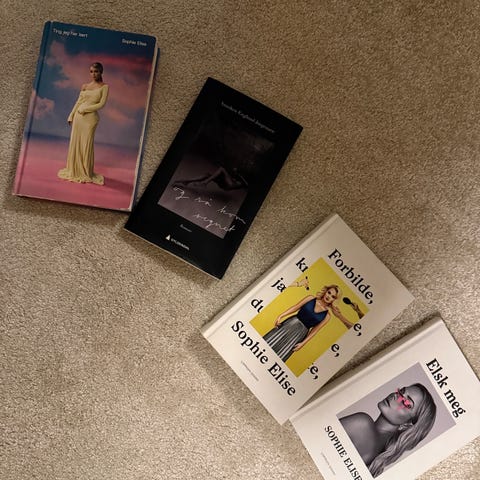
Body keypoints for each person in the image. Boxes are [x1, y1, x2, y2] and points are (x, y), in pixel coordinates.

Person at [339, 384, 437, 477]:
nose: (396, 397)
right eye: (401, 392)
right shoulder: (378, 456)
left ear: (407, 424)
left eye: (406, 403)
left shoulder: (362, 424)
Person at [263, 285, 354, 362]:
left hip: (300, 334)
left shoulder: (327, 316)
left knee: (282, 352)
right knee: (271, 341)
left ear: (334, 300)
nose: (329, 296)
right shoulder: (310, 298)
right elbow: (295, 307)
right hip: (290, 323)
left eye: (333, 296)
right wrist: (281, 316)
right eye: (329, 292)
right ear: (326, 291)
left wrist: (303, 343)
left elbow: (314, 331)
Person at [58, 62, 109, 185]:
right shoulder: (85, 86)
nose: (93, 74)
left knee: (86, 144)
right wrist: (71, 115)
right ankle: (74, 170)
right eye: (91, 71)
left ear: (101, 72)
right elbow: (78, 102)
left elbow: (101, 104)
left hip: (90, 119)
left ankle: (86, 172)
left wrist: (86, 109)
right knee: (75, 143)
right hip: (78, 118)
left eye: (96, 71)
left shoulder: (104, 87)